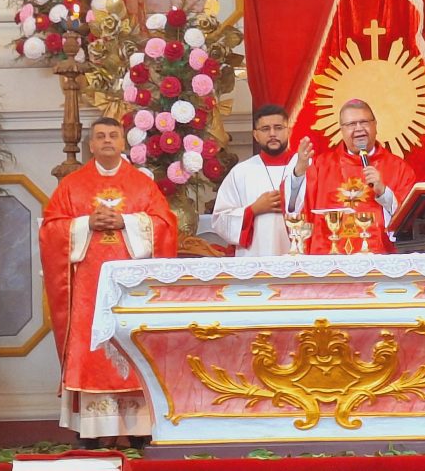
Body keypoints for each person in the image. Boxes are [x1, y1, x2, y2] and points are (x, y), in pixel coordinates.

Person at [39, 117, 178, 447]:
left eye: (112, 136)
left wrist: (126, 222)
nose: (106, 141)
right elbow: (49, 229)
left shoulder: (142, 184)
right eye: (100, 136)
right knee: (91, 352)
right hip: (89, 288)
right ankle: (93, 432)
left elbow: (166, 225)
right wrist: (86, 224)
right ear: (91, 145)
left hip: (131, 291)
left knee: (133, 347)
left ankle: (140, 429)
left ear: (122, 143)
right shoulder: (72, 185)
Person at [288, 99, 416, 254]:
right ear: (342, 130)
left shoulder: (399, 168)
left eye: (364, 122)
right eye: (351, 124)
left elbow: (409, 222)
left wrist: (383, 192)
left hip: (378, 258)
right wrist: (299, 174)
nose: (358, 129)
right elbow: (295, 207)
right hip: (328, 256)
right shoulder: (320, 166)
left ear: (375, 125)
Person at [212, 104, 300, 256]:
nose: (272, 133)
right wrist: (253, 210)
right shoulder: (241, 172)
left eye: (278, 127)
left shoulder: (304, 166)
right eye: (265, 129)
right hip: (256, 257)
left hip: (298, 257)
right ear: (255, 135)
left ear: (289, 131)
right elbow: (220, 220)